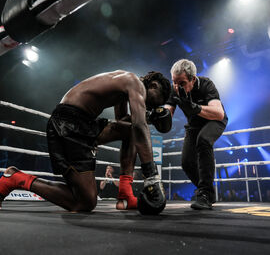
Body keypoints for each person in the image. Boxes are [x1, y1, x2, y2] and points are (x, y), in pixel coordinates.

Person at [0, 70, 171, 214]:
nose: (149, 106)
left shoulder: (126, 84)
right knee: (85, 203)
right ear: (154, 86)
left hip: (81, 123)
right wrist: (152, 176)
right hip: (68, 124)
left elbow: (123, 121)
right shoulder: (135, 83)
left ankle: (125, 194)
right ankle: (16, 178)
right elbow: (139, 126)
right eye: (154, 102)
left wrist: (148, 117)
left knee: (130, 131)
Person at [165, 59, 228, 210]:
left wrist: (195, 108)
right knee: (186, 163)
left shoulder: (206, 84)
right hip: (194, 125)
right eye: (174, 82)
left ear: (193, 79)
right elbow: (167, 115)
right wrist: (155, 115)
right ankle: (207, 192)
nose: (177, 87)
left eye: (181, 83)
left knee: (204, 140)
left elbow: (219, 113)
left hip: (213, 121)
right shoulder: (174, 90)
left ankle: (205, 193)